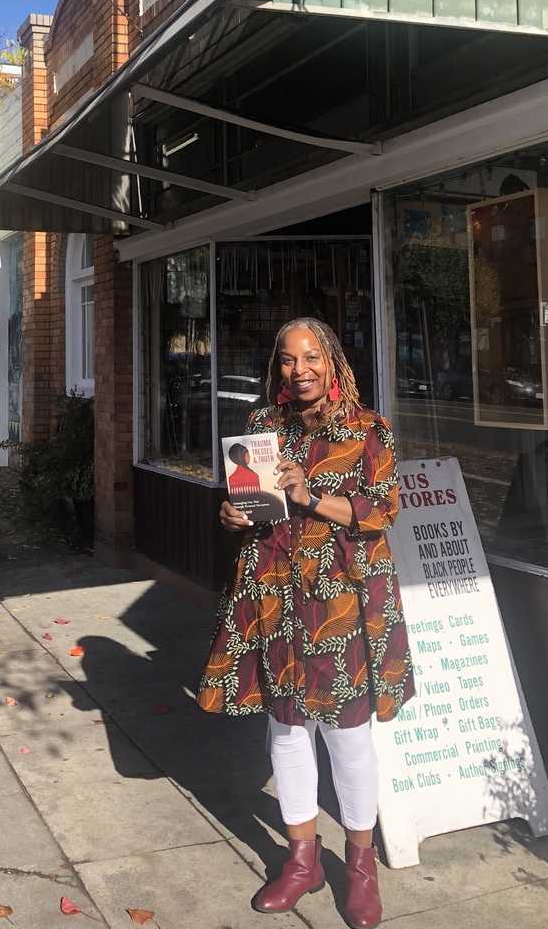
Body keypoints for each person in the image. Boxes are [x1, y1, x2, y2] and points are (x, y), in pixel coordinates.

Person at [197, 318, 415, 929]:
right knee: (287, 730)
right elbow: (251, 502)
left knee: (347, 736)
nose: (300, 369)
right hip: (276, 593)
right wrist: (234, 516)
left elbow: (382, 512)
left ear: (332, 361)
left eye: (311, 356)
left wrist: (311, 496)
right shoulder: (266, 426)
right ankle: (302, 861)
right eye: (289, 359)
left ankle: (361, 868)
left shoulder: (369, 429)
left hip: (342, 601)